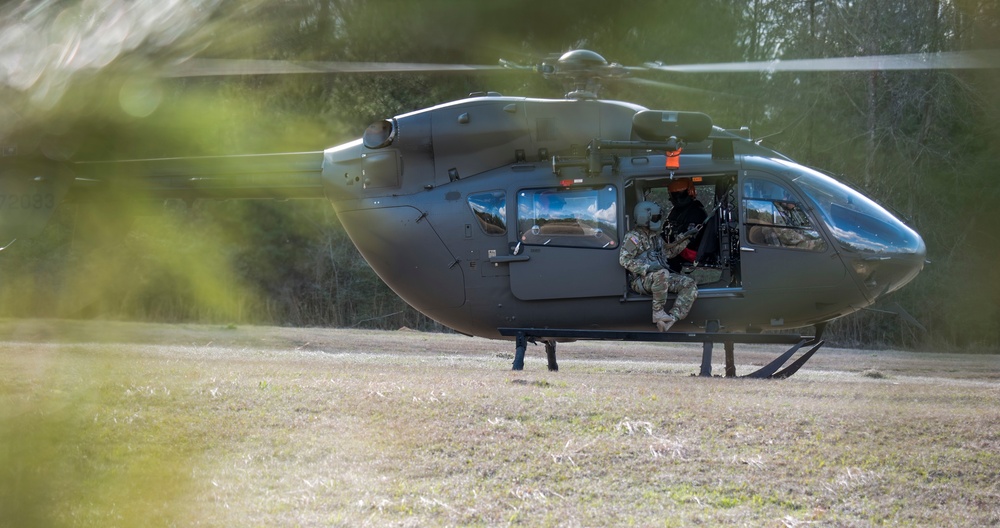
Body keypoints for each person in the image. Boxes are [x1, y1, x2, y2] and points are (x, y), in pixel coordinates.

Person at [620, 201, 699, 332]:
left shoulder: (655, 237)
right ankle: (658, 312)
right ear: (645, 218)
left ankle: (671, 319)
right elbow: (624, 259)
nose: (658, 220)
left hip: (658, 278)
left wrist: (687, 238)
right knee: (662, 273)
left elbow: (668, 253)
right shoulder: (633, 237)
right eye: (655, 217)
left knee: (689, 284)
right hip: (640, 280)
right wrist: (646, 268)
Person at [664, 178, 707, 269]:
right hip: (678, 248)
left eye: (681, 194)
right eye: (674, 195)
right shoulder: (676, 211)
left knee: (662, 258)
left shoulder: (696, 212)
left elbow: (690, 239)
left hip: (689, 250)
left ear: (690, 192)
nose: (678, 198)